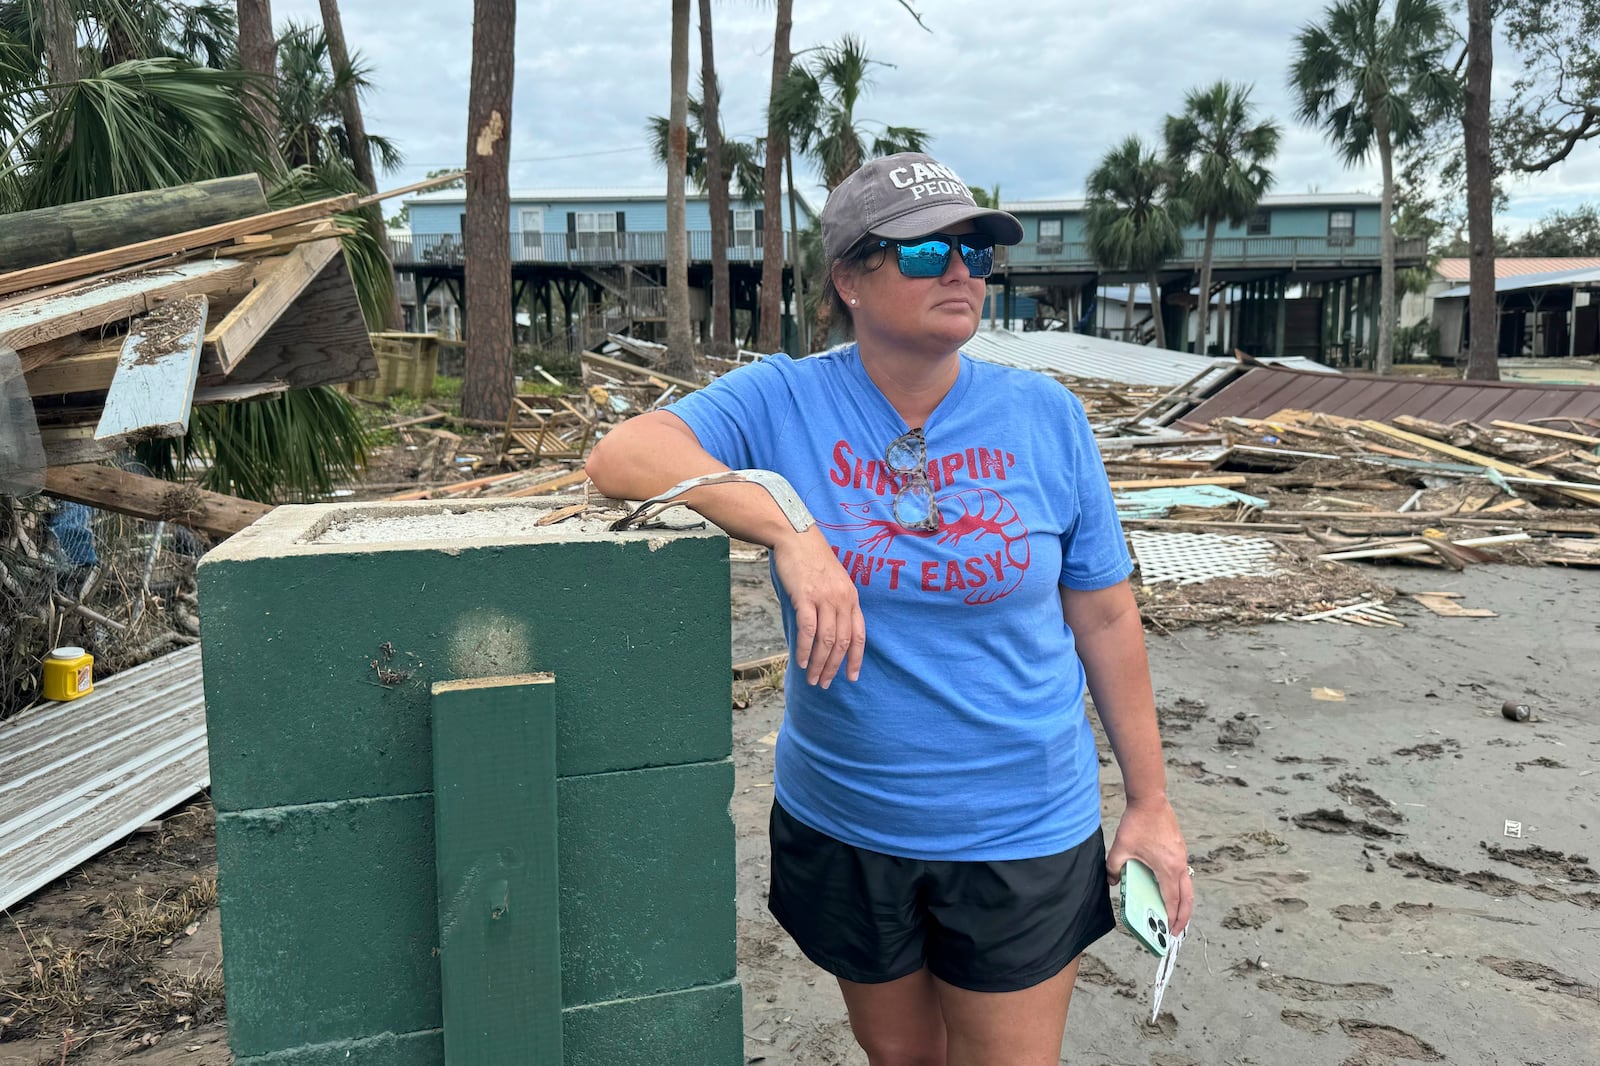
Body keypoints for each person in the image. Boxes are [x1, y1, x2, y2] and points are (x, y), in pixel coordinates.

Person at [586, 151, 1191, 1066]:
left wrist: (1149, 803)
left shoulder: (1045, 417)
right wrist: (792, 527)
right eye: (922, 253)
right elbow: (624, 455)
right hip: (847, 820)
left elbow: (1104, 618)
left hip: (1018, 830)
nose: (958, 271)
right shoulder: (785, 398)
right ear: (849, 280)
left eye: (975, 254)